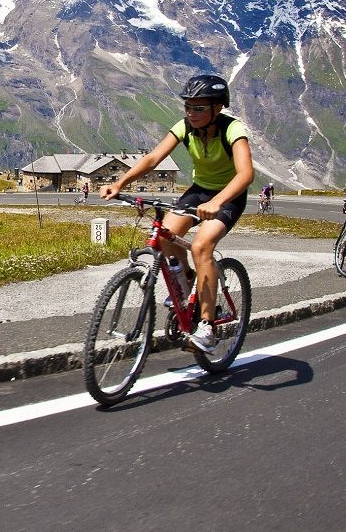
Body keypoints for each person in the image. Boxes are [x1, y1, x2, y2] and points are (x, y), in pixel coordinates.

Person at [100, 74, 254, 352]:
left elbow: (245, 174)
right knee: (164, 236)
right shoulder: (185, 127)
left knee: (202, 245)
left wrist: (217, 202)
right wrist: (119, 183)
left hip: (229, 195)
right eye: (188, 107)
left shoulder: (232, 130)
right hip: (199, 190)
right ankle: (188, 283)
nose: (191, 113)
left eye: (199, 108)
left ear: (217, 108)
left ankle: (207, 327)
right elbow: (152, 159)